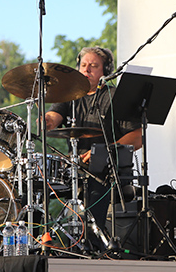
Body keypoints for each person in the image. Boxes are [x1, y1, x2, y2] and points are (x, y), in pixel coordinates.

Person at [44, 46, 142, 227]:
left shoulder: (115, 96)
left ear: (106, 71)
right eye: (83, 65)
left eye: (93, 66)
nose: (86, 70)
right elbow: (53, 118)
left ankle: (93, 244)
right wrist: (46, 121)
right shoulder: (69, 96)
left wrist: (104, 151)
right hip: (75, 169)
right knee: (35, 187)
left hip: (108, 173)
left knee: (94, 193)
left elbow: (137, 137)